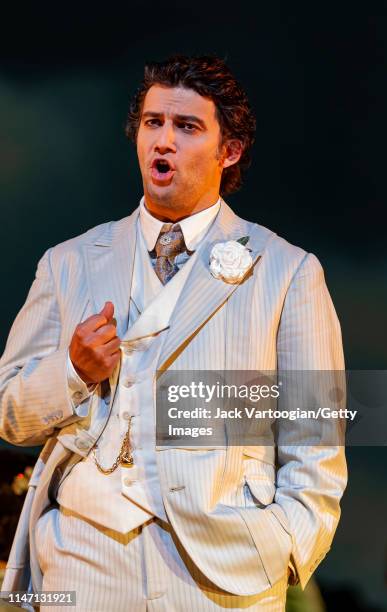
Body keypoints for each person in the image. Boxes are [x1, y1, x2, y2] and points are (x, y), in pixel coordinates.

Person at [0, 55, 347, 611]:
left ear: (227, 151)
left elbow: (315, 435)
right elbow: (9, 411)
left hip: (220, 574)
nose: (163, 140)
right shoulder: (66, 263)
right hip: (84, 563)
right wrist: (72, 374)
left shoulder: (287, 271)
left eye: (187, 127)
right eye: (153, 122)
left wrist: (286, 543)